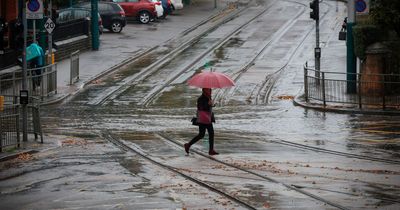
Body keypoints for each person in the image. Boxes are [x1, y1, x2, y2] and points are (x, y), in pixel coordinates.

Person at [184, 88, 219, 156]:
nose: (210, 91)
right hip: (203, 119)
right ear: (204, 90)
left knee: (205, 134)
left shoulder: (208, 97)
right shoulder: (201, 98)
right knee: (204, 134)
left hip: (208, 119)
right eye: (208, 90)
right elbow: (200, 108)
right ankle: (188, 145)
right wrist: (208, 104)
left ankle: (189, 145)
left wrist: (212, 104)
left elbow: (209, 107)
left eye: (210, 89)